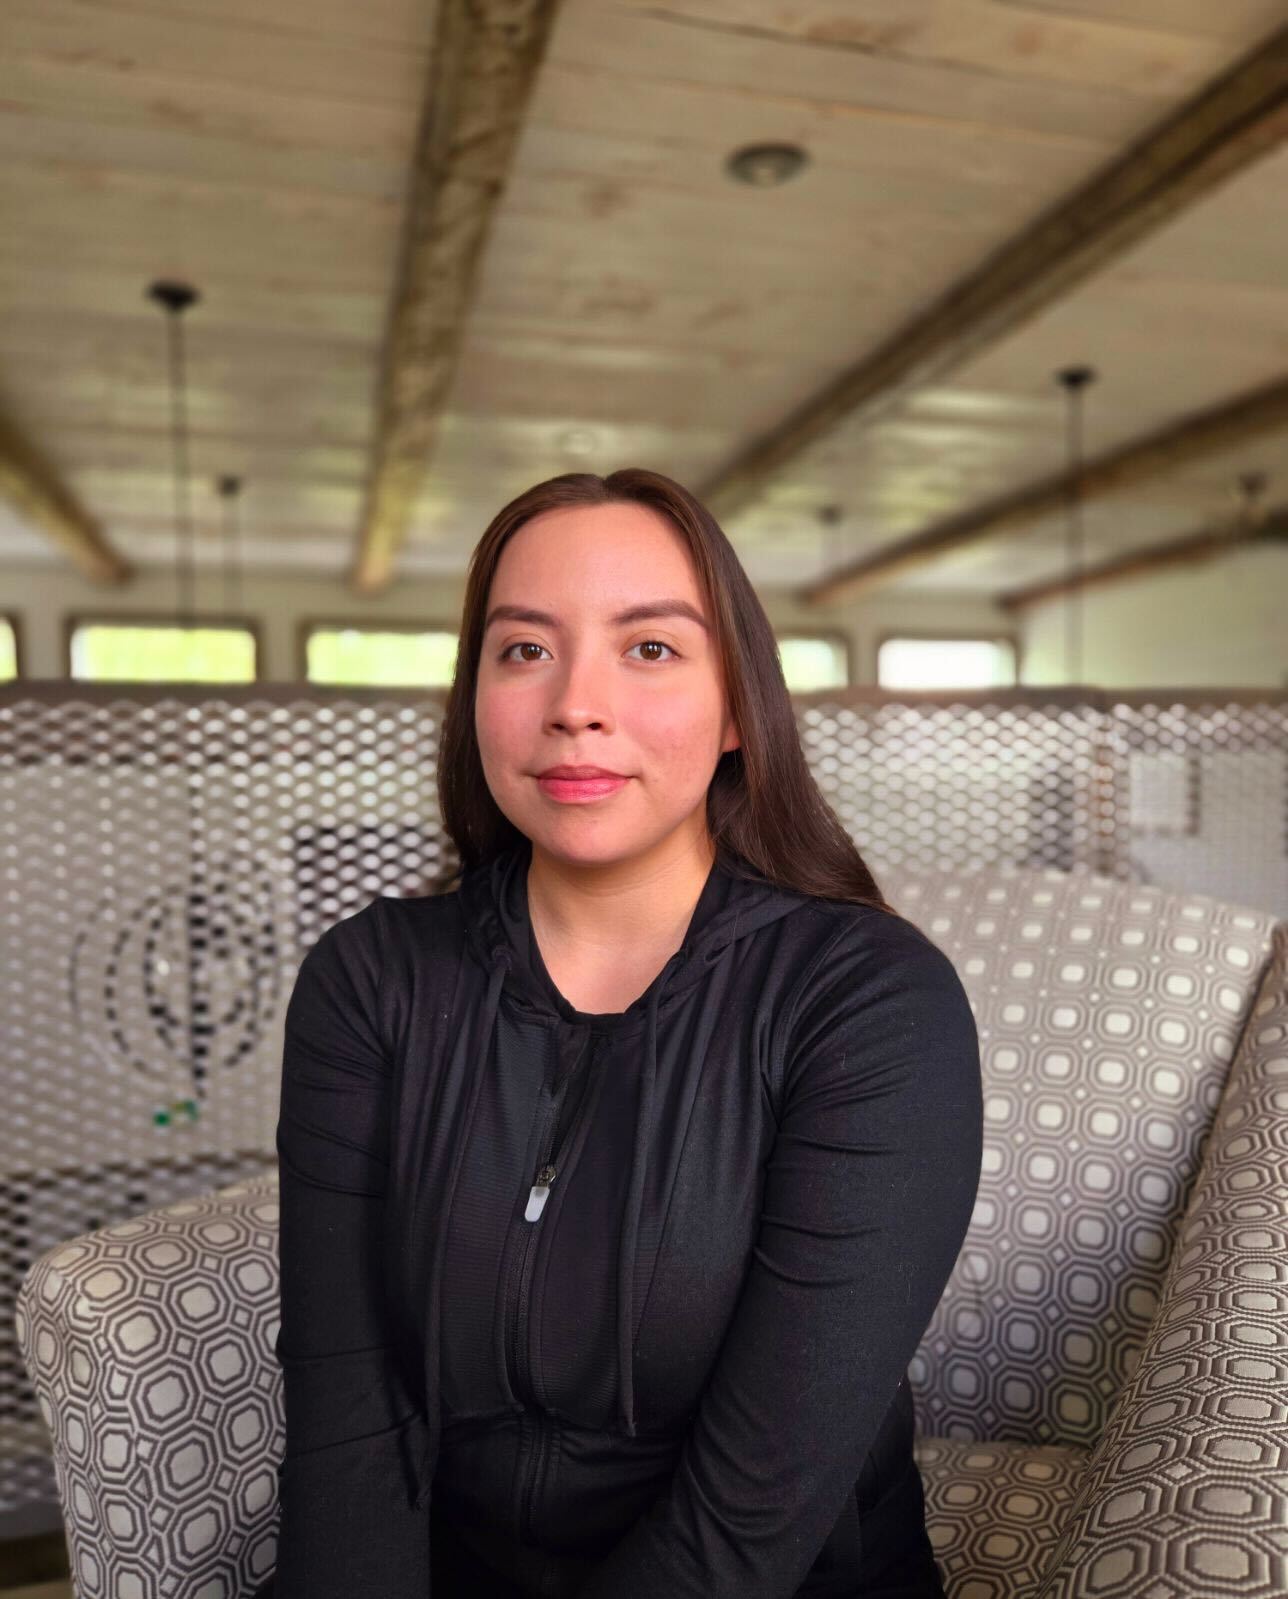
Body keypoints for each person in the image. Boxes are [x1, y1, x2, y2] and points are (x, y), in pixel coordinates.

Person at [266, 468, 983, 1598]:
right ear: (474, 697)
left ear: (739, 705)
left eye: (649, 648)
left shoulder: (871, 1001)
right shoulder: (370, 980)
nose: (573, 705)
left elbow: (751, 1517)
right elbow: (349, 1424)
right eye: (522, 649)